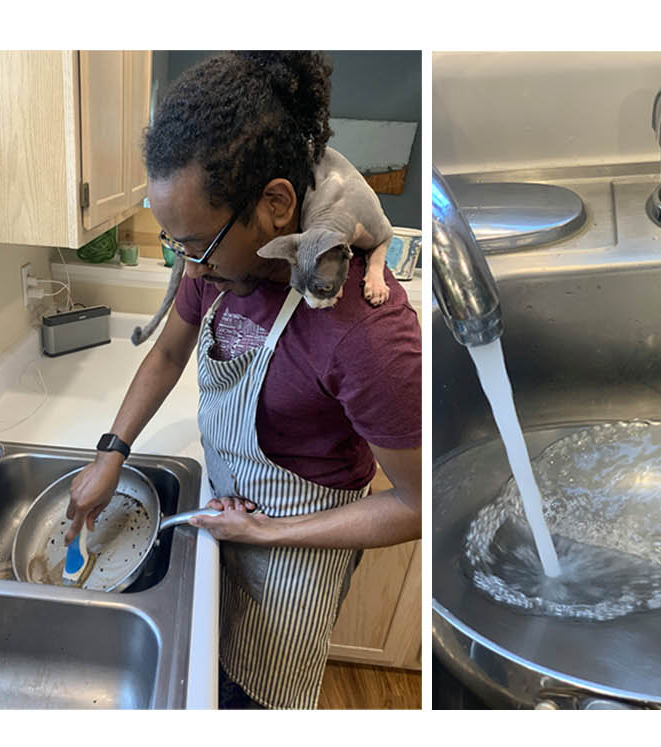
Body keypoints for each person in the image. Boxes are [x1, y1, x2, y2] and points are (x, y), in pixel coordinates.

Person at [63, 51, 422, 710]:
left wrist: (266, 534)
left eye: (195, 244)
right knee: (214, 667)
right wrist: (112, 450)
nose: (189, 271)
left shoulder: (365, 334)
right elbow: (169, 352)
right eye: (175, 246)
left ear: (277, 205)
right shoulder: (224, 265)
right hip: (231, 511)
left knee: (258, 698)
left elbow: (418, 503)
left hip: (300, 550)